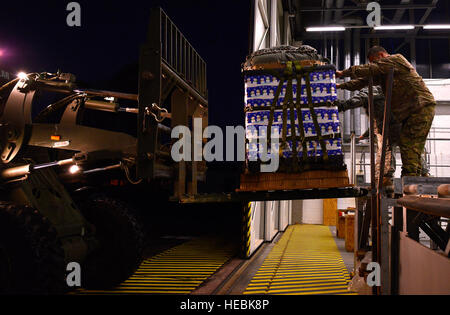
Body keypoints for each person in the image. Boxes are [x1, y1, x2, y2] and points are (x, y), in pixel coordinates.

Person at [336, 46, 436, 180]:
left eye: (374, 61)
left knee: (408, 145)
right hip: (409, 113)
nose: (373, 64)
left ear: (381, 55)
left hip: (420, 107)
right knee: (410, 146)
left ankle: (411, 179)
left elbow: (370, 69)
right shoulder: (384, 74)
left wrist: (343, 72)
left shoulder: (395, 60)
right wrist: (339, 86)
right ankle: (414, 178)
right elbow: (363, 81)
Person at [336, 86, 430, 193]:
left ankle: (387, 179)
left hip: (388, 128)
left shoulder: (374, 88)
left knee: (387, 151)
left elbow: (361, 99)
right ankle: (424, 172)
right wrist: (366, 134)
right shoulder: (393, 89)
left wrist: (342, 105)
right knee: (412, 149)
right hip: (404, 124)